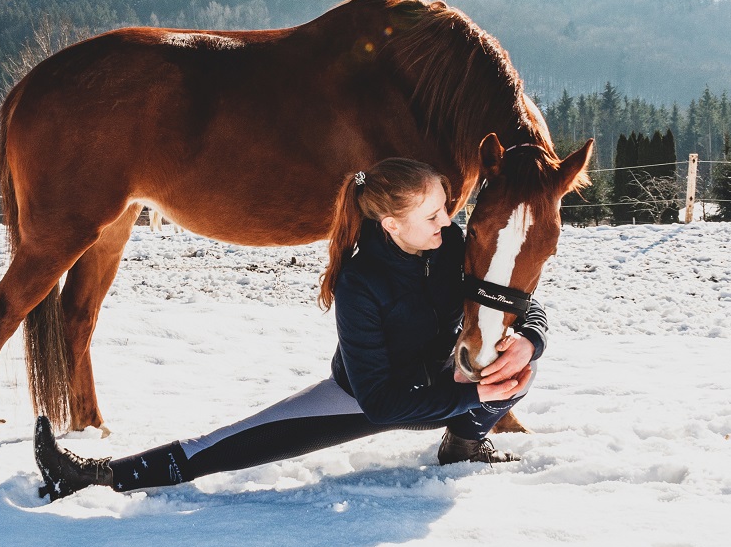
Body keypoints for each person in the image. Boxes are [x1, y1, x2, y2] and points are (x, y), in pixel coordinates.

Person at [34, 158, 545, 501]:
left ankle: (463, 444)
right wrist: (473, 391)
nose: (447, 219)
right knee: (230, 444)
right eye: (433, 213)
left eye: (446, 207)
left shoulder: (451, 245)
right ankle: (92, 476)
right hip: (367, 396)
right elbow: (384, 404)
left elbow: (520, 304)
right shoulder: (360, 282)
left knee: (523, 364)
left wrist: (528, 340)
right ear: (392, 224)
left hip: (443, 385)